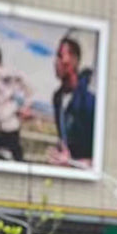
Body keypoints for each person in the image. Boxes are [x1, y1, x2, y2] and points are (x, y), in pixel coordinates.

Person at [47, 36, 95, 168]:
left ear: (74, 60)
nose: (56, 62)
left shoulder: (89, 98)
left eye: (60, 56)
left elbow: (99, 156)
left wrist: (72, 162)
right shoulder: (57, 98)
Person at [0, 43, 33, 162]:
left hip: (10, 126)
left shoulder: (2, 73)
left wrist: (26, 106)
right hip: (1, 127)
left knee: (16, 159)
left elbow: (24, 81)